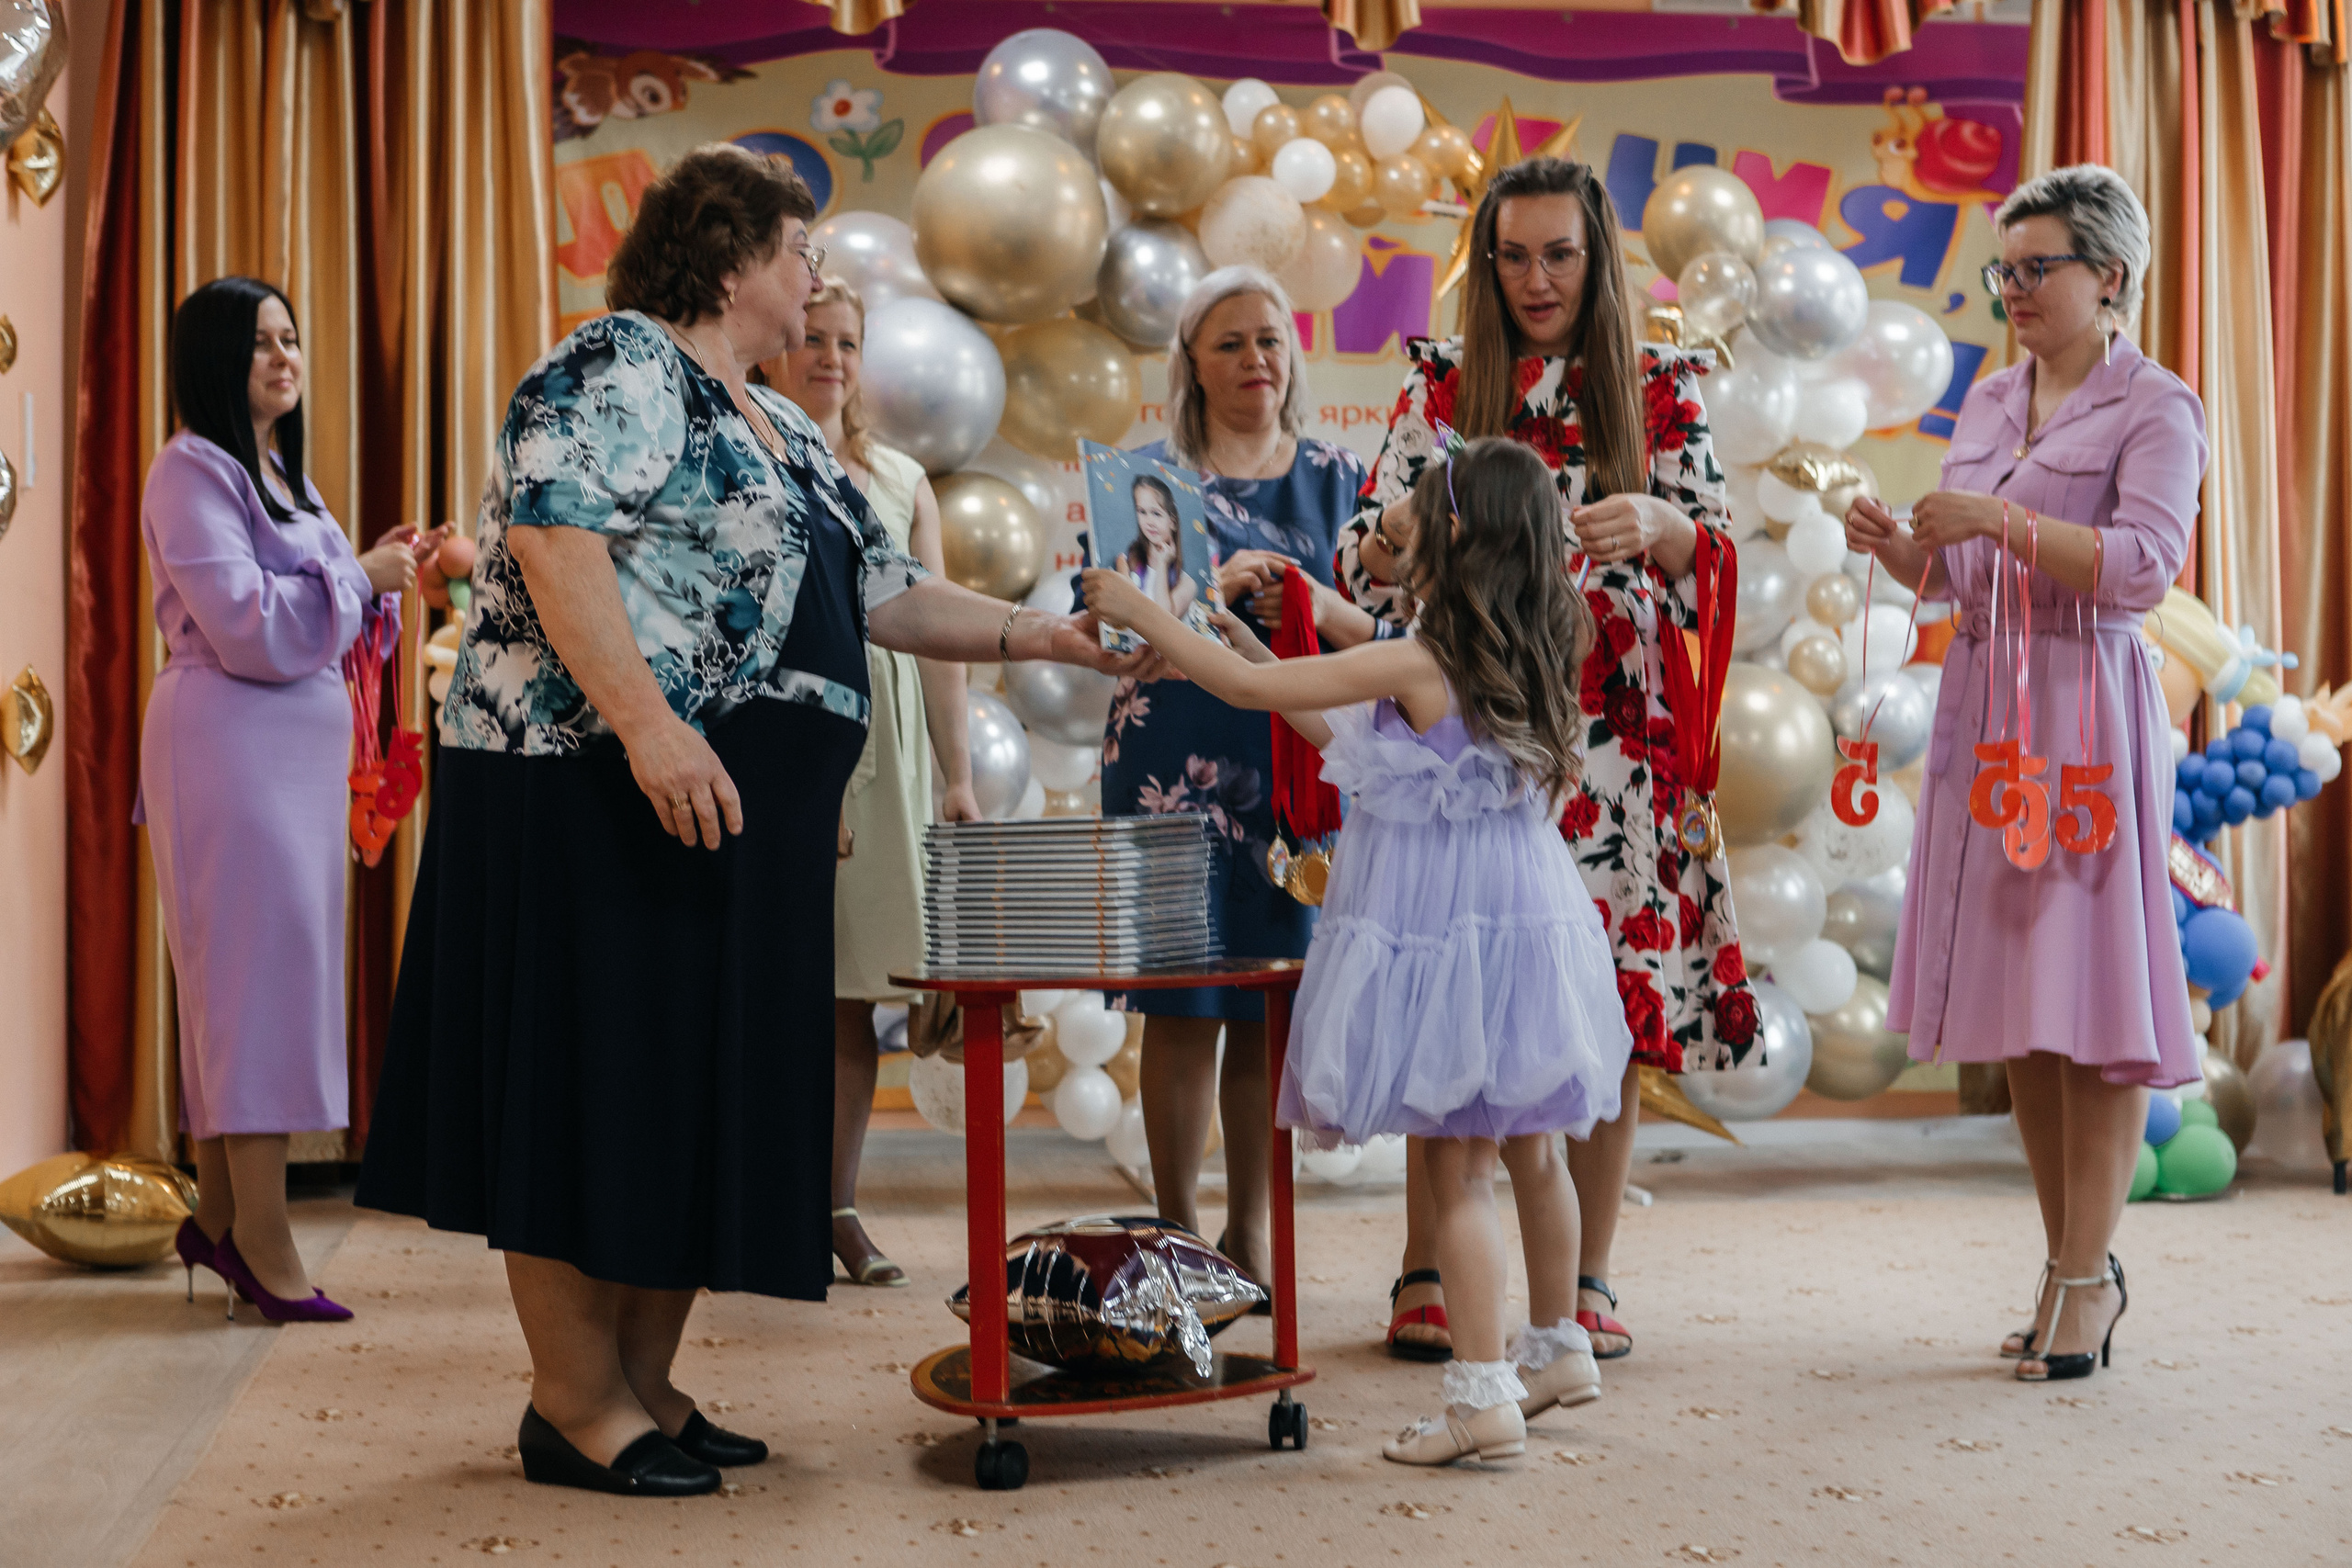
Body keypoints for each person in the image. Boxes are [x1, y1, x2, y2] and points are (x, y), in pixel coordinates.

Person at [356, 144, 1154, 1497]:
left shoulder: (777, 422)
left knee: (682, 1094)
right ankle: (574, 1399)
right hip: (584, 778)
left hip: (726, 816)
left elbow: (887, 590)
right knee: (586, 1084)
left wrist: (1046, 636)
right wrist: (653, 724)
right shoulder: (620, 361)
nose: (821, 280)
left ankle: (646, 1382)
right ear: (728, 256)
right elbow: (553, 537)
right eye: (804, 255)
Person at [1084, 437, 1633, 1466]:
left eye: (1413, 513)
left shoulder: (1422, 658)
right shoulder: (1522, 648)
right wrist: (1232, 633)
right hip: (1522, 920)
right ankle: (1558, 1345)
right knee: (1532, 1144)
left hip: (1445, 928)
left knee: (1458, 1163)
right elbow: (1319, 710)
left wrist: (1145, 610)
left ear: (1456, 535)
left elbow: (1262, 700)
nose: (1395, 527)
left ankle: (1479, 1396)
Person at [1338, 156, 1755, 1362]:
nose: (1536, 278)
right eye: (1513, 254)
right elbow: (1372, 550)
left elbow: (1716, 556)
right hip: (1481, 749)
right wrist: (1390, 542)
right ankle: (1429, 1262)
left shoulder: (1665, 388)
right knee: (1451, 994)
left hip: (1618, 756)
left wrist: (1673, 532)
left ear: (1598, 256)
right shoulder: (1444, 385)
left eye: (1559, 253)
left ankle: (1585, 1278)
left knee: (1604, 1016)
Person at [1843, 164, 2203, 1383]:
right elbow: (1946, 584)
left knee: (2093, 1007)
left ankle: (2087, 1277)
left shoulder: (2159, 404)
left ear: (2109, 276)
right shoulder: (1991, 398)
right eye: (2003, 270)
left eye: (2035, 267)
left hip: (2086, 708)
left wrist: (1994, 523)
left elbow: (2146, 568)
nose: (2013, 291)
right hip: (1987, 710)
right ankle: (2063, 1267)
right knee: (2032, 1015)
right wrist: (1904, 544)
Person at [143, 276, 441, 1325]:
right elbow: (249, 627)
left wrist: (389, 577)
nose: (284, 356)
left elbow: (325, 619)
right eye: (259, 342)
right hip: (227, 752)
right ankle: (264, 1244)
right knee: (252, 991)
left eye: (291, 337)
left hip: (291, 760)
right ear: (212, 361)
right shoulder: (191, 469)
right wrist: (361, 577)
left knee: (260, 983)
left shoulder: (281, 476)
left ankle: (221, 1219)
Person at [1099, 265, 1372, 1291]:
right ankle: (1175, 1231)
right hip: (1166, 756)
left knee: (1270, 1001)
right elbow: (1113, 633)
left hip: (1290, 761)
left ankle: (1252, 1232)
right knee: (1177, 1003)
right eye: (1230, 343)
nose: (1256, 360)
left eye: (1270, 339)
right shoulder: (1136, 480)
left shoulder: (1344, 480)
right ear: (1190, 364)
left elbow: (1374, 631)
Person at [770, 276, 979, 1290]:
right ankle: (755, 1199)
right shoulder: (752, 455)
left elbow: (939, 638)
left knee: (855, 991)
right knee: (774, 985)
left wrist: (958, 774)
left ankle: (834, 1205)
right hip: (789, 735)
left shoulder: (900, 477)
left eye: (847, 342)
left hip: (883, 747)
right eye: (813, 338)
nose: (831, 358)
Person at [1121, 474, 1198, 620]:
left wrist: (1163, 563)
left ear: (1173, 522)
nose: (1149, 521)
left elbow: (1164, 620)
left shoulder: (1187, 584)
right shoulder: (1126, 562)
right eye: (1142, 512)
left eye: (1156, 513)